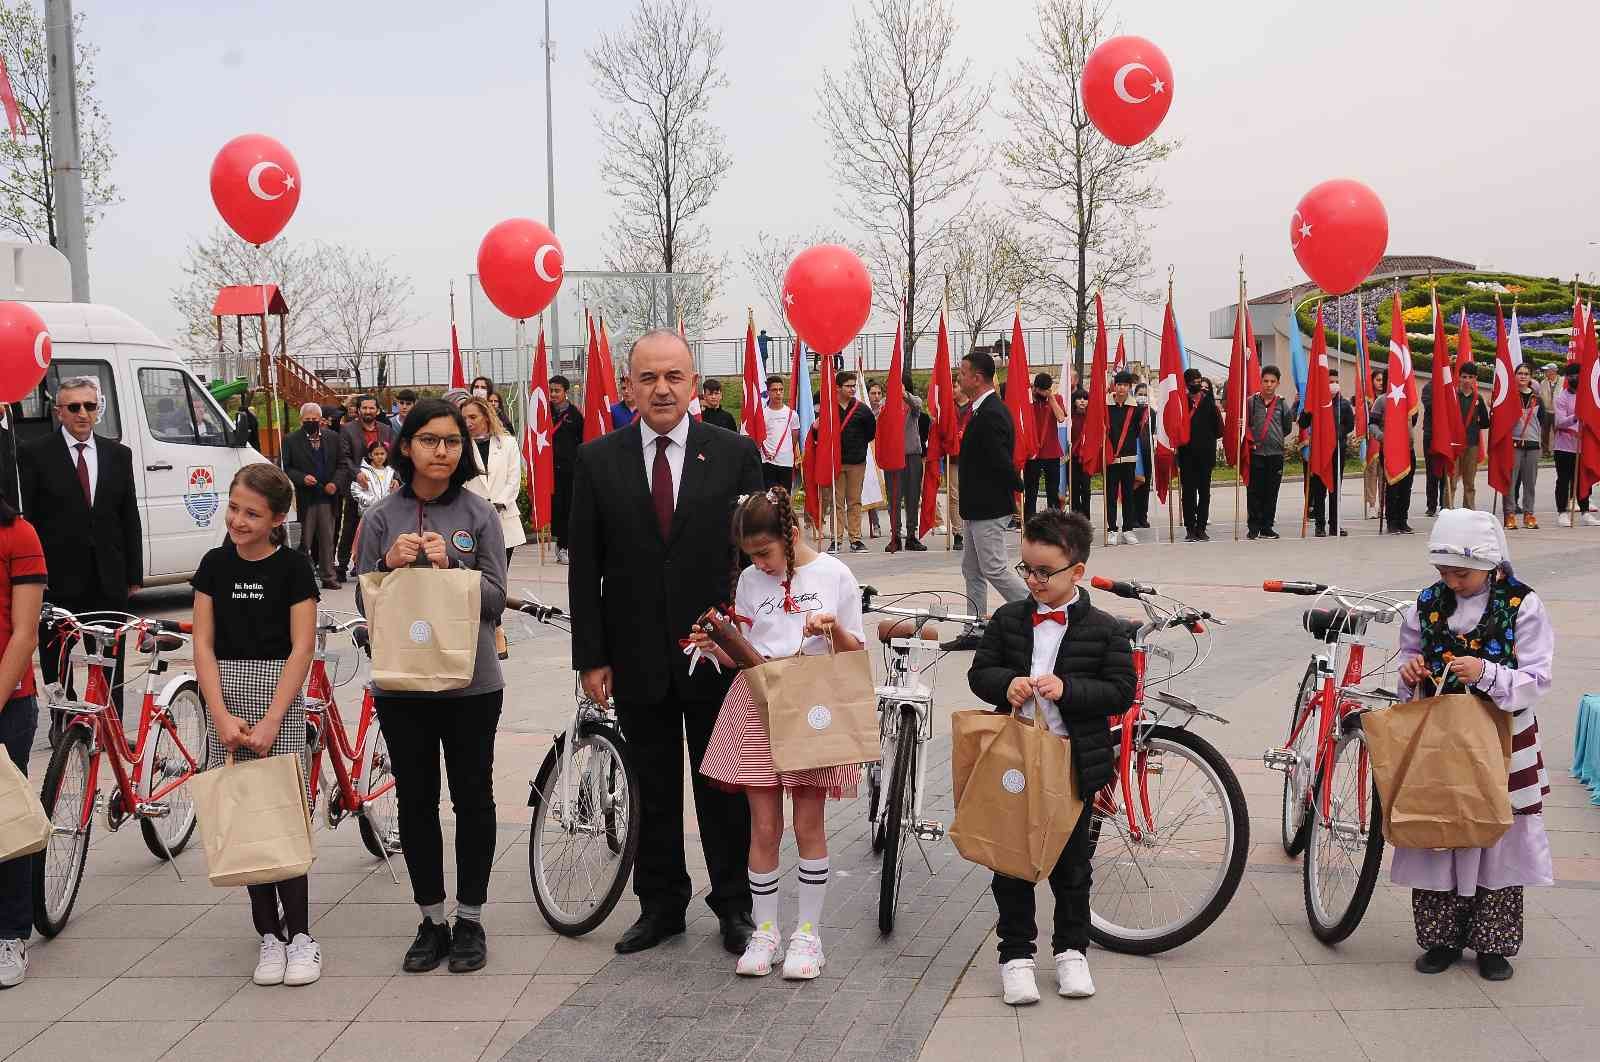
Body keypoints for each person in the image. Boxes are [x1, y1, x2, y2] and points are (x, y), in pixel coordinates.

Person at [567, 330, 763, 957]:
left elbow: (758, 559)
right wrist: (591, 656)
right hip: (635, 653)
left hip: (719, 654)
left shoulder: (734, 454)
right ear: (628, 386)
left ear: (694, 382)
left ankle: (734, 904)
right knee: (651, 783)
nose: (661, 389)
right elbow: (584, 569)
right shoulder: (598, 461)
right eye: (647, 378)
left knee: (723, 785)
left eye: (674, 376)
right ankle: (661, 903)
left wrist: (754, 640)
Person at [355, 398, 507, 975]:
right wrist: (390, 565)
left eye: (450, 441)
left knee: (473, 800)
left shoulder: (478, 514)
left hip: (471, 684)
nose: (441, 451)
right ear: (407, 445)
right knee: (416, 802)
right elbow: (365, 604)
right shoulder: (379, 518)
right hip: (403, 687)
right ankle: (430, 918)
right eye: (428, 440)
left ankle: (470, 918)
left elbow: (496, 600)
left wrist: (455, 571)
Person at [966, 510, 1135, 1006]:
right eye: (1027, 570)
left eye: (1044, 572)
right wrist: (1007, 683)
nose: (1034, 580)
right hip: (1015, 759)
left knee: (1072, 866)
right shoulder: (1008, 618)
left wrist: (1068, 689)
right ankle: (1015, 956)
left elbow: (1121, 690)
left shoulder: (1104, 629)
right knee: (1011, 863)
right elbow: (982, 673)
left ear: (1076, 572)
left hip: (1073, 762)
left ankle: (1071, 953)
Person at [697, 488, 865, 980]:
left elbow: (853, 653)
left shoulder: (834, 574)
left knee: (808, 823)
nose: (760, 564)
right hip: (760, 702)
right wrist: (715, 646)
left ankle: (808, 935)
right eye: (751, 556)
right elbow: (747, 652)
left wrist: (830, 628)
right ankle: (765, 930)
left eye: (766, 552)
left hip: (812, 704)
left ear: (792, 535)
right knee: (763, 825)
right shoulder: (750, 580)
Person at [1394, 508, 1553, 983]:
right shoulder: (1426, 603)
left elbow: (1538, 677)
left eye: (1460, 573)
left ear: (1490, 563)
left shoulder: (1523, 605)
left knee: (1496, 833)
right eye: (1444, 572)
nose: (1452, 582)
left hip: (1502, 739)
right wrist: (1411, 671)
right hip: (1442, 740)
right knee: (1442, 825)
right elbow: (1409, 653)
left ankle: (1494, 943)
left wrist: (1488, 673)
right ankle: (1441, 938)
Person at [191, 464, 322, 987]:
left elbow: (302, 646)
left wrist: (272, 719)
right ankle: (268, 935)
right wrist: (219, 713)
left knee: (282, 815)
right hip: (225, 694)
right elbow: (202, 642)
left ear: (277, 519)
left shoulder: (292, 568)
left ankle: (302, 938)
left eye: (251, 513)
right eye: (234, 508)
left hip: (280, 700)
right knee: (245, 817)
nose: (238, 520)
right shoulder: (213, 565)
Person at [19, 376, 141, 731]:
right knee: (57, 658)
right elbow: (31, 520)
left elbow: (128, 516)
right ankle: (64, 723)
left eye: (90, 406)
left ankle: (110, 724)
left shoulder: (119, 454)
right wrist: (33, 579)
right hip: (57, 580)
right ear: (59, 412)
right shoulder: (35, 454)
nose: (83, 413)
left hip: (108, 577)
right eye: (74, 407)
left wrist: (134, 575)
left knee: (109, 658)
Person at [942, 352, 1028, 652]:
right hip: (976, 507)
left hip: (989, 507)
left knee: (994, 568)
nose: (959, 377)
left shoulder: (991, 412)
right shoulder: (980, 410)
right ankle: (975, 628)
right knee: (972, 569)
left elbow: (1000, 460)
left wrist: (1017, 491)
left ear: (977, 378)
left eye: (962, 373)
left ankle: (1040, 611)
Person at [0, 493, 45, 988]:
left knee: (5, 821)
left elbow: (24, 633)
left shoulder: (18, 534)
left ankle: (10, 932)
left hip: (7, 699)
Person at [281, 402, 341, 590]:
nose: (311, 422)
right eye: (308, 420)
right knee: (303, 541)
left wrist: (335, 483)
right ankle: (302, 579)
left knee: (327, 540)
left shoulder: (333, 438)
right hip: (303, 499)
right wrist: (301, 478)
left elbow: (342, 465)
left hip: (326, 498)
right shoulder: (291, 440)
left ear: (321, 420)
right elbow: (284, 467)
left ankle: (328, 576)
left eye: (315, 419)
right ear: (301, 420)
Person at [462, 397, 527, 567]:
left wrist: (498, 503)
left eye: (473, 417)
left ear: (486, 416)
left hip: (504, 519)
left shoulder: (508, 443)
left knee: (500, 575)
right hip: (471, 520)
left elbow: (513, 480)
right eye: (464, 418)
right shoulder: (460, 446)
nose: (468, 422)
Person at [337, 396, 396, 583]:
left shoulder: (386, 430)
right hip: (359, 486)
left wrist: (396, 478)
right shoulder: (347, 429)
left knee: (380, 527)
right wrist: (357, 474)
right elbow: (344, 456)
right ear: (359, 410)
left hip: (382, 485)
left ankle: (372, 564)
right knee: (350, 526)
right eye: (365, 408)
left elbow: (394, 457)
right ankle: (342, 565)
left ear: (377, 410)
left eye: (372, 408)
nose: (368, 411)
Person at [816, 371, 876, 554]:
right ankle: (836, 539)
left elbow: (870, 434)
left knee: (854, 501)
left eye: (853, 386)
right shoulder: (829, 409)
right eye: (848, 386)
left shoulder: (862, 410)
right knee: (837, 502)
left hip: (857, 462)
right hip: (835, 463)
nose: (852, 389)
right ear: (837, 388)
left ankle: (855, 539)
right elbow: (820, 434)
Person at [1298, 367, 1356, 537]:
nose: (1333, 385)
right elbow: (1302, 423)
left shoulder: (1344, 404)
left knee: (1335, 490)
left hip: (1337, 451)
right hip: (1319, 452)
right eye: (1330, 382)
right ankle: (1320, 525)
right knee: (1319, 489)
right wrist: (1307, 410)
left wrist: (1334, 434)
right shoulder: (1315, 403)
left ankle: (1334, 525)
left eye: (1336, 382)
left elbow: (1349, 425)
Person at [1245, 365, 1296, 540]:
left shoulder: (1282, 404)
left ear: (1278, 383)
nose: (1268, 385)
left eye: (1272, 381)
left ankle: (1267, 526)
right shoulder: (1251, 402)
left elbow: (1287, 427)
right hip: (1256, 454)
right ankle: (1253, 526)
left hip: (1275, 455)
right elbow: (1247, 425)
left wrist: (1275, 438)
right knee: (1254, 491)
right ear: (1261, 382)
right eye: (1265, 381)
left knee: (1271, 492)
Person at [1370, 382, 1419, 535]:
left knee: (1406, 487)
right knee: (1392, 487)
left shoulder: (1410, 401)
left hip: (1408, 449)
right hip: (1390, 450)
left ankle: (1402, 521)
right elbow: (1372, 424)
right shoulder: (1382, 400)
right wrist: (1382, 437)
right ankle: (1391, 522)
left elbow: (1413, 421)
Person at [885, 374, 927, 552]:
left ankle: (911, 535)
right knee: (894, 498)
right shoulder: (887, 405)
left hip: (911, 456)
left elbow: (918, 404)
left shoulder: (912, 405)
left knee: (912, 497)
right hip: (893, 457)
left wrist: (903, 394)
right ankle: (895, 535)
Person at [1178, 369, 1221, 541]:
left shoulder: (1209, 400)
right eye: (1192, 381)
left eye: (1198, 380)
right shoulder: (1181, 401)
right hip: (1186, 455)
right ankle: (1190, 528)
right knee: (1188, 493)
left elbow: (1217, 428)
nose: (1196, 383)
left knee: (1204, 493)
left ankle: (1201, 527)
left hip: (1205, 455)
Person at [1553, 362, 1598, 525]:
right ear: (1566, 378)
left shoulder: (1588, 398)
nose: (1574, 378)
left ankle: (1585, 511)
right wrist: (1575, 416)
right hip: (1564, 447)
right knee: (1564, 480)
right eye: (1571, 376)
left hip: (1583, 446)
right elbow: (1559, 422)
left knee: (1582, 480)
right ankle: (1562, 512)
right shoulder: (1561, 398)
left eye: (1577, 376)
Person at [1102, 371, 1143, 545]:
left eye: (1125, 385)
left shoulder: (1135, 408)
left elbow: (1139, 430)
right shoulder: (1105, 405)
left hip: (1129, 456)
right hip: (1110, 457)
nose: (1121, 388)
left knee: (1128, 494)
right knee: (1110, 494)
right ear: (1114, 385)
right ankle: (1112, 529)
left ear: (1129, 387)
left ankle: (1128, 529)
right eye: (1119, 384)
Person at [1504, 364, 1545, 530]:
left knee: (1530, 483)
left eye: (1526, 374)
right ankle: (1510, 514)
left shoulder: (1538, 400)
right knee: (1511, 482)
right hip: (1514, 444)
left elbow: (1541, 421)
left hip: (1533, 445)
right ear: (1514, 376)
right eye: (1520, 373)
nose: (1523, 376)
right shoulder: (1509, 397)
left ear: (1531, 377)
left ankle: (1529, 514)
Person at [548, 375, 584, 565]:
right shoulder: (543, 412)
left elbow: (582, 440)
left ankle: (564, 545)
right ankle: (558, 542)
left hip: (569, 471)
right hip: (550, 470)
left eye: (557, 391)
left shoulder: (575, 415)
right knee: (555, 509)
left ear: (565, 392)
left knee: (568, 508)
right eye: (551, 390)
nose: (553, 394)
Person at [1023, 373, 1066, 519]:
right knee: (1031, 490)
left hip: (1052, 452)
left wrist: (1051, 398)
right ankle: (1029, 520)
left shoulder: (1056, 398)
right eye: (1041, 390)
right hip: (1032, 452)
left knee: (1052, 490)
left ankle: (1052, 519)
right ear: (1035, 388)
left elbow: (1061, 418)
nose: (1043, 393)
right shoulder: (1028, 401)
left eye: (1046, 390)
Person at [1456, 365, 1491, 511]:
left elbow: (1485, 423)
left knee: (1469, 482)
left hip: (1472, 444)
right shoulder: (1453, 396)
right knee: (1451, 481)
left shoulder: (1478, 399)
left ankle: (1469, 510)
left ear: (1475, 379)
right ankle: (1447, 510)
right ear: (1459, 377)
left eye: (1470, 377)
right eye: (1464, 376)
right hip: (1454, 444)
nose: (1467, 380)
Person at [758, 376, 798, 492]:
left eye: (781, 390)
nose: (778, 393)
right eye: (774, 390)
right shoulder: (762, 414)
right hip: (767, 461)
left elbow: (794, 437)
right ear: (768, 392)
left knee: (784, 497)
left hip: (786, 462)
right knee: (769, 498)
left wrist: (785, 451)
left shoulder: (792, 414)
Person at [948, 389, 972, 550]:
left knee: (970, 495)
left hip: (972, 458)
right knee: (954, 495)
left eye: (955, 385)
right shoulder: (948, 408)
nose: (953, 389)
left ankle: (971, 531)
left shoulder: (974, 407)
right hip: (954, 457)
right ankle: (958, 533)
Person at [1365, 368, 1389, 517]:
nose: (1380, 383)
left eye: (1382, 380)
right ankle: (1371, 504)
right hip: (1372, 439)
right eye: (1377, 380)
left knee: (1383, 473)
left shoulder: (1390, 397)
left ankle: (1384, 505)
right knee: (1371, 472)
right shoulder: (1368, 398)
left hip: (1387, 441)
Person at [865, 379, 887, 539]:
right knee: (871, 489)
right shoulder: (864, 411)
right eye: (873, 393)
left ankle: (896, 527)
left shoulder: (886, 410)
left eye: (879, 393)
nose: (877, 396)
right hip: (868, 454)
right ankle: (875, 524)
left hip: (884, 452)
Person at [1130, 382, 1154, 530]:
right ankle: (1131, 518)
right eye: (1140, 394)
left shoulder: (1152, 413)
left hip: (1146, 452)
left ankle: (1142, 517)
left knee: (1145, 487)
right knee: (1132, 486)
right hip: (1133, 452)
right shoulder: (1130, 412)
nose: (1142, 397)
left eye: (1145, 395)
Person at [351, 439, 398, 513]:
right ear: (370, 455)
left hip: (386, 512)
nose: (380, 457)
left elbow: (392, 491)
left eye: (382, 454)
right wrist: (371, 502)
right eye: (376, 454)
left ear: (386, 455)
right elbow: (355, 490)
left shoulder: (390, 472)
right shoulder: (363, 472)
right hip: (368, 513)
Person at [1066, 389, 1092, 518]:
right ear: (1074, 401)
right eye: (1079, 398)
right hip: (1073, 458)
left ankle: (1086, 517)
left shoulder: (1091, 418)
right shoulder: (1069, 418)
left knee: (1086, 490)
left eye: (1085, 398)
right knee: (1074, 489)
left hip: (1086, 459)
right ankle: (1076, 517)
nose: (1082, 401)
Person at [1536, 363, 1559, 453]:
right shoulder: (1543, 382)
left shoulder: (1562, 381)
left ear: (1553, 371)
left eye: (1547, 370)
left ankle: (1557, 450)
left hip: (1557, 412)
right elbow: (1540, 395)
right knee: (1544, 432)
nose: (1545, 372)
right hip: (1546, 411)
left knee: (1557, 432)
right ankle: (1545, 451)